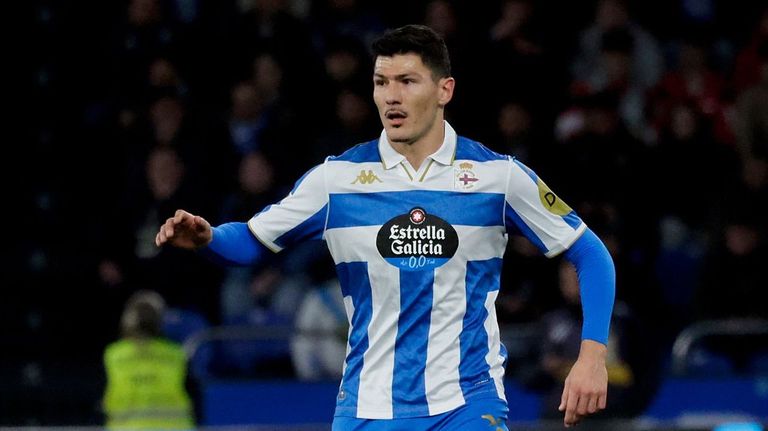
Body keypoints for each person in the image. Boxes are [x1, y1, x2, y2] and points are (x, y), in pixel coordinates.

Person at [155, 24, 615, 429]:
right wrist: (209, 237)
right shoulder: (336, 181)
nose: (391, 96)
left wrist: (592, 355)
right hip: (367, 407)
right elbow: (253, 241)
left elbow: (590, 252)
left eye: (407, 81)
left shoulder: (498, 177)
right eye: (381, 82)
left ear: (444, 90)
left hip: (468, 403)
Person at [102, 290, 196, 430]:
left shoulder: (114, 354)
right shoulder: (177, 354)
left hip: (125, 427)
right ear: (161, 320)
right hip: (174, 427)